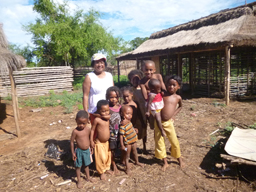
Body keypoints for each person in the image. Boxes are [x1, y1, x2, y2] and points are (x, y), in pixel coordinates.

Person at [154, 75, 184, 171]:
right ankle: (165, 162)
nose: (171, 87)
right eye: (169, 85)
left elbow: (180, 107)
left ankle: (179, 159)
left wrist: (173, 115)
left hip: (168, 123)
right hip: (158, 122)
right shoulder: (162, 94)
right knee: (160, 142)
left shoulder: (178, 98)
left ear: (178, 86)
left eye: (174, 85)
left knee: (174, 141)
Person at [83, 53, 114, 123]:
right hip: (95, 111)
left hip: (108, 110)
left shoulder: (109, 76)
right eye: (97, 62)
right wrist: (86, 111)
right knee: (96, 132)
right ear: (93, 64)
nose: (100, 65)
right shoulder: (89, 77)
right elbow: (85, 95)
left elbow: (113, 92)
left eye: (102, 62)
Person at [139, 60, 166, 133]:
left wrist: (162, 92)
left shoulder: (158, 76)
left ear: (154, 69)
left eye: (151, 70)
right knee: (153, 124)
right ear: (142, 70)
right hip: (151, 104)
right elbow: (145, 96)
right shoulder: (142, 82)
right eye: (146, 70)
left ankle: (162, 132)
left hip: (160, 101)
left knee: (163, 119)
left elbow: (163, 89)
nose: (148, 72)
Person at [70, 110, 94, 188]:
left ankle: (88, 177)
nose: (81, 125)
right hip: (79, 151)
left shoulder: (88, 129)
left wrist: (91, 147)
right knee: (78, 166)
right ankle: (79, 180)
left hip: (87, 151)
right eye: (79, 123)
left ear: (88, 121)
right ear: (76, 121)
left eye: (84, 123)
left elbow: (90, 139)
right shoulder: (75, 131)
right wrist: (73, 152)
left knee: (86, 165)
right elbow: (71, 142)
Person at [90, 100, 112, 180]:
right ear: (99, 111)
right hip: (99, 142)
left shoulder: (107, 118)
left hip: (106, 142)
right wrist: (91, 141)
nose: (106, 112)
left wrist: (103, 115)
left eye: (107, 110)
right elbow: (92, 130)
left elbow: (108, 116)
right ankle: (101, 172)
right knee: (101, 158)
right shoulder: (97, 120)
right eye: (103, 111)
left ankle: (106, 168)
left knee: (107, 156)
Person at [119, 105, 143, 175]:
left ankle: (137, 162)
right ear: (122, 114)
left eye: (131, 114)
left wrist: (134, 129)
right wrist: (122, 145)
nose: (129, 115)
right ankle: (127, 168)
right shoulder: (122, 125)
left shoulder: (129, 121)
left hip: (133, 141)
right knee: (127, 155)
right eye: (127, 113)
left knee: (135, 151)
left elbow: (131, 127)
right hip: (127, 143)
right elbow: (121, 136)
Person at [127, 70, 148, 153]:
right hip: (133, 113)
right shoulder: (130, 90)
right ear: (130, 80)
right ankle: (133, 148)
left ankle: (144, 146)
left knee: (144, 129)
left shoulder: (143, 89)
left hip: (142, 112)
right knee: (133, 129)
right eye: (133, 79)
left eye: (137, 79)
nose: (135, 81)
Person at [106, 86, 122, 175]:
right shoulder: (106, 108)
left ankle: (122, 161)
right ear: (107, 97)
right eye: (111, 97)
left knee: (120, 147)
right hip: (111, 132)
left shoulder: (120, 107)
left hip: (119, 132)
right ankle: (113, 164)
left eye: (116, 97)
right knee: (112, 149)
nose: (114, 99)